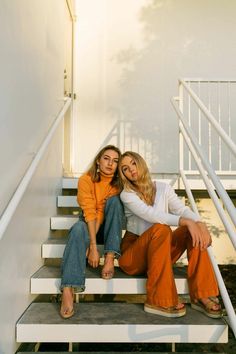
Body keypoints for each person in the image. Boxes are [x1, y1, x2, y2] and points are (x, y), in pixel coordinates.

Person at [118, 151, 222, 318]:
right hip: (134, 256)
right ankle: (158, 300)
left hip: (159, 253)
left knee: (192, 229)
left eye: (133, 163)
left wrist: (199, 224)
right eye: (125, 168)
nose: (131, 169)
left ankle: (201, 294)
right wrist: (186, 221)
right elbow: (151, 215)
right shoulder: (127, 195)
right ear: (123, 174)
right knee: (162, 228)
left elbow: (182, 210)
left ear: (141, 163)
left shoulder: (163, 188)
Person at [60, 145, 124, 319]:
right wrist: (91, 244)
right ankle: (68, 288)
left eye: (115, 161)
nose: (110, 164)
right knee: (78, 228)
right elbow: (90, 212)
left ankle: (110, 257)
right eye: (106, 158)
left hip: (109, 227)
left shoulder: (117, 185)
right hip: (89, 223)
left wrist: (94, 247)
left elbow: (103, 212)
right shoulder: (85, 180)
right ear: (98, 160)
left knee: (115, 203)